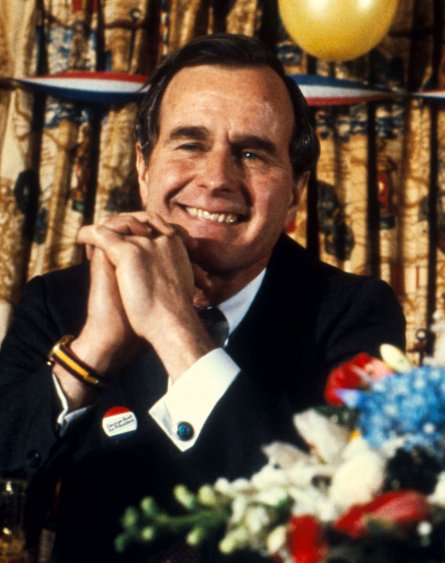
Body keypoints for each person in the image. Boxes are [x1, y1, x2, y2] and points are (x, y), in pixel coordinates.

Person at [0, 34, 405, 560]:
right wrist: (91, 353)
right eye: (190, 143)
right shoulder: (61, 302)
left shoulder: (353, 313)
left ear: (296, 190)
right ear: (145, 165)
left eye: (252, 153)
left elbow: (332, 521)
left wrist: (175, 329)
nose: (216, 178)